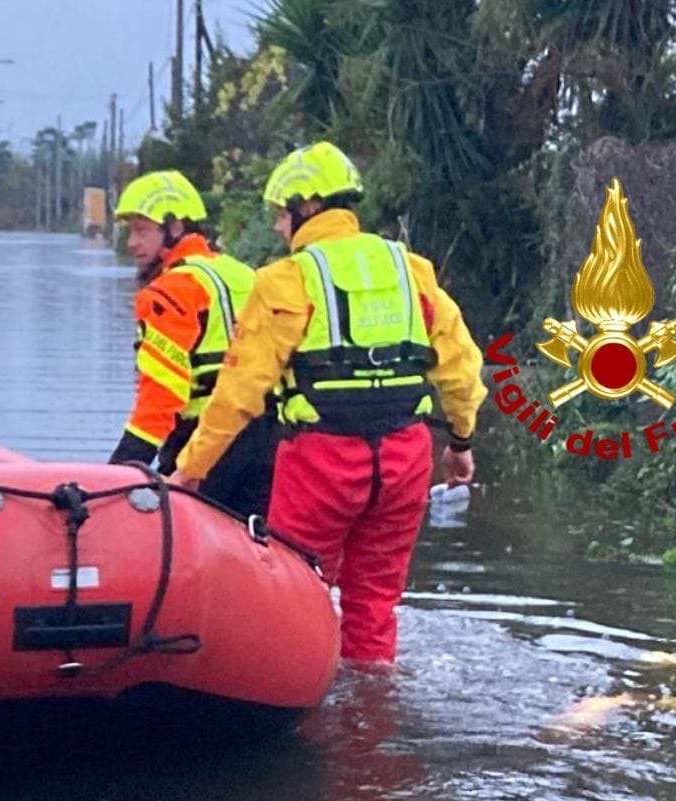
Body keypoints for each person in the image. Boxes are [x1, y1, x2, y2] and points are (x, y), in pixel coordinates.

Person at [171, 141, 485, 663]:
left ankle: (299, 714)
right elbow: (461, 368)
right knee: (375, 605)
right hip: (407, 457)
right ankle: (370, 713)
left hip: (322, 461)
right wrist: (460, 442)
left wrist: (192, 468)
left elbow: (239, 391)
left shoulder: (286, 279)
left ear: (307, 209)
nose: (276, 228)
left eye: (279, 215)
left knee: (295, 595)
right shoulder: (413, 270)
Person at [106, 170, 277, 518]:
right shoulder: (244, 273)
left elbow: (161, 398)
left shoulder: (169, 292)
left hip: (203, 446)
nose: (132, 244)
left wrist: (116, 473)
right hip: (270, 439)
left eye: (141, 230)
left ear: (174, 228)